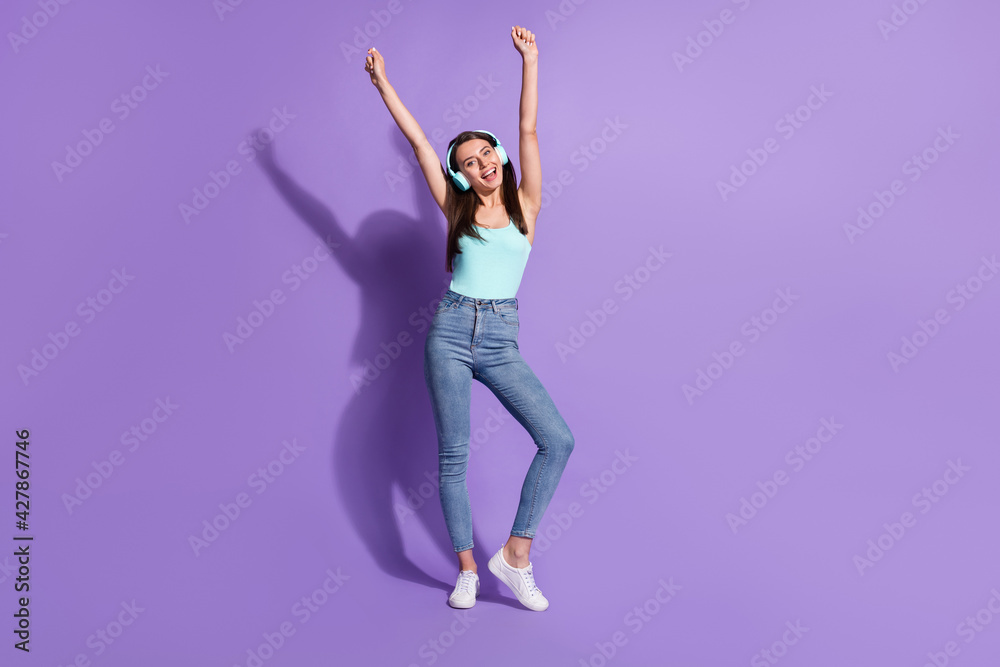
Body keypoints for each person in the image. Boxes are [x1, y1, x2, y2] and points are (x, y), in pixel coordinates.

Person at [364, 26, 574, 612]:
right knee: (453, 457)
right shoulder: (455, 208)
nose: (479, 163)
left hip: (502, 339)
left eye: (486, 153)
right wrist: (385, 86)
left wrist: (530, 61)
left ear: (499, 159)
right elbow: (421, 147)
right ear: (460, 176)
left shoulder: (527, 206)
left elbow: (528, 127)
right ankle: (467, 572)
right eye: (468, 162)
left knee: (556, 439)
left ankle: (515, 556)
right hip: (451, 334)